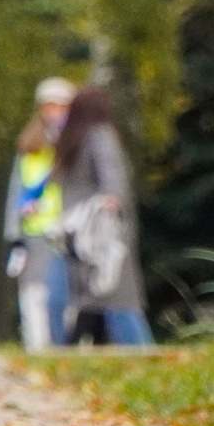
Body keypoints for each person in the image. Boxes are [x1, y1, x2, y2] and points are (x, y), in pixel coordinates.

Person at [52, 85, 151, 345]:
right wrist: (114, 203)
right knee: (117, 292)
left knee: (89, 294)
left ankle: (77, 347)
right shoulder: (101, 135)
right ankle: (139, 348)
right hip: (102, 229)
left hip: (76, 227)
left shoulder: (70, 140)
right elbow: (112, 179)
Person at [4, 77, 75, 350]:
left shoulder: (76, 145)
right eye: (49, 106)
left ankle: (66, 343)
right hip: (35, 231)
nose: (54, 112)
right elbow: (16, 190)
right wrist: (13, 232)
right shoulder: (30, 147)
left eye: (61, 106)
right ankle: (37, 343)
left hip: (67, 230)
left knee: (66, 293)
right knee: (33, 291)